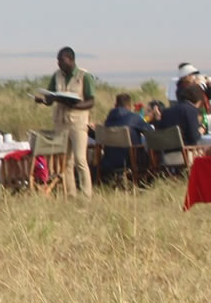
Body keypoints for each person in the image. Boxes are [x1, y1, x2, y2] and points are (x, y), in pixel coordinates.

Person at [35, 46, 95, 195]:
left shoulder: (84, 76)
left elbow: (91, 101)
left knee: (80, 159)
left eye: (61, 60)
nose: (59, 64)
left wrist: (75, 105)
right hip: (60, 122)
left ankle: (87, 193)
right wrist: (44, 100)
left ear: (71, 59)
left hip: (78, 122)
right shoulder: (57, 76)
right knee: (65, 160)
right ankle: (70, 193)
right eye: (58, 61)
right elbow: (50, 97)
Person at [100, 93, 147, 182]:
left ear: (115, 106)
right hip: (130, 160)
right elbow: (151, 132)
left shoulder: (108, 121)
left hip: (108, 160)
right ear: (129, 106)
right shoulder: (134, 117)